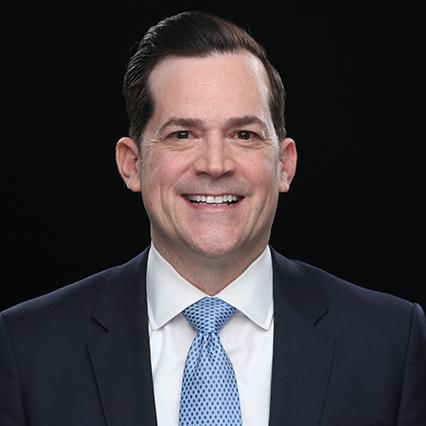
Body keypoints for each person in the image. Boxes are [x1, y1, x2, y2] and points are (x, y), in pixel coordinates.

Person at [1, 10, 425, 426]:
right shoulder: (27, 348)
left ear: (285, 165)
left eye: (244, 135)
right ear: (132, 164)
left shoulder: (390, 342)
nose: (215, 164)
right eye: (182, 134)